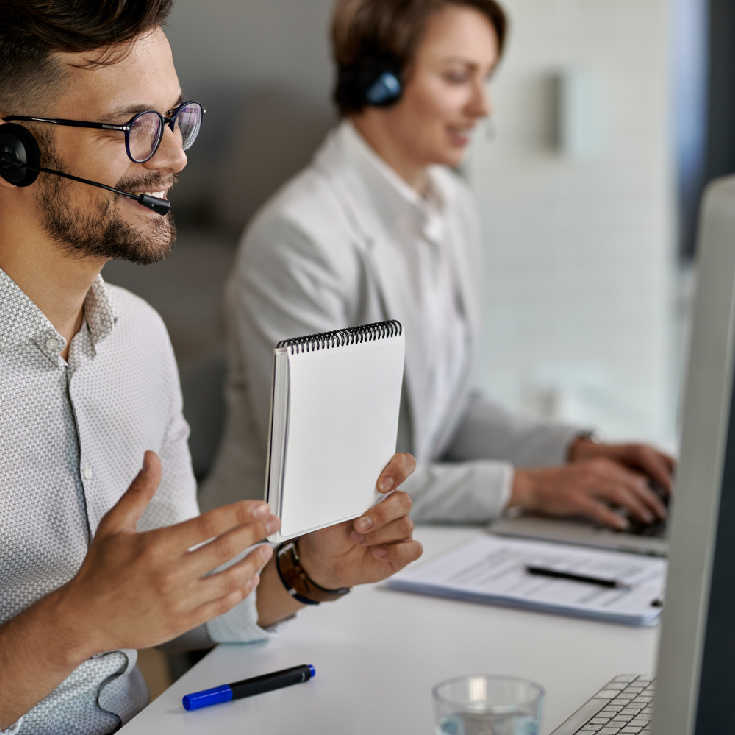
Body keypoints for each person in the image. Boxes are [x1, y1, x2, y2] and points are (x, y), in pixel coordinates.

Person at [0, 2, 422, 733]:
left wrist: (307, 570)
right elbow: (101, 618)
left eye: (174, 119)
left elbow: (178, 602)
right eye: (134, 127)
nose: (174, 157)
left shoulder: (140, 339)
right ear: (14, 153)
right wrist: (74, 623)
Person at [201, 0, 674, 529]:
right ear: (376, 82)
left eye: (486, 77)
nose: (483, 106)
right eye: (457, 77)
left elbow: (454, 411)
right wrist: (529, 488)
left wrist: (573, 452)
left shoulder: (452, 207)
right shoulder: (299, 237)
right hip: (273, 566)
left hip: (398, 546)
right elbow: (332, 477)